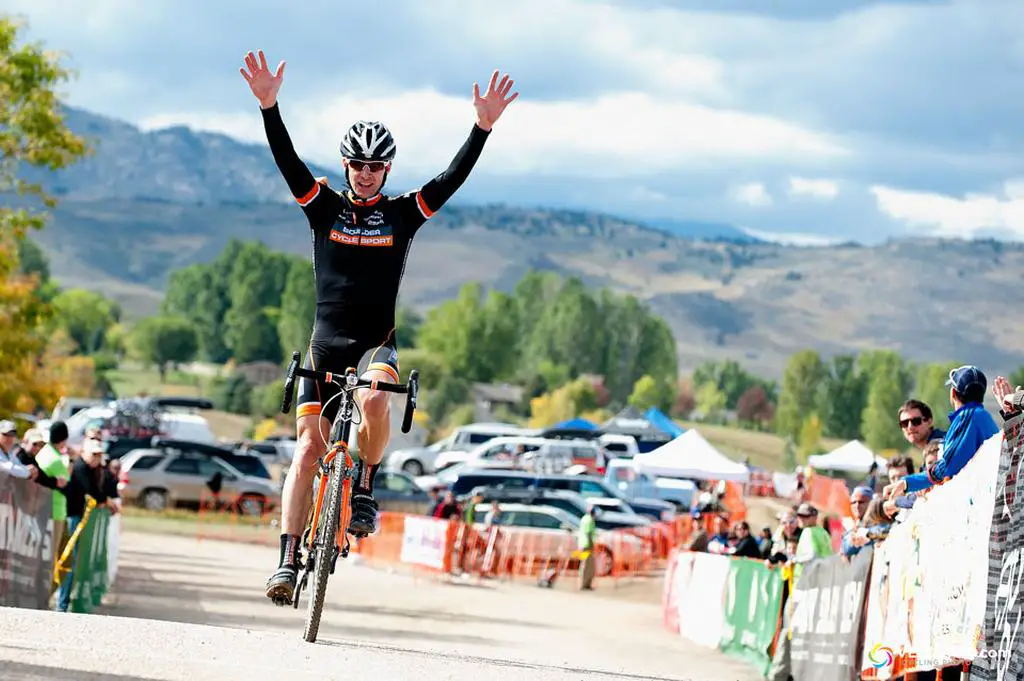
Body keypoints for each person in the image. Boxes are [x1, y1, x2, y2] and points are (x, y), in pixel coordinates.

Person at [241, 49, 519, 605]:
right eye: (358, 164)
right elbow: (287, 161)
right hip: (324, 344)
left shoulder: (401, 215)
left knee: (373, 402)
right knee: (304, 450)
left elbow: (450, 180)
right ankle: (287, 560)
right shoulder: (323, 208)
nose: (366, 173)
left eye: (375, 166)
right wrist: (270, 107)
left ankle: (364, 484)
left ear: (386, 171)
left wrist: (481, 128)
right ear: (346, 165)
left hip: (375, 346)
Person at [885, 365, 999, 499]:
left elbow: (947, 467)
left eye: (915, 421)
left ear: (953, 394)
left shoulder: (968, 417)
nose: (909, 427)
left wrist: (907, 483)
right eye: (904, 423)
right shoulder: (982, 416)